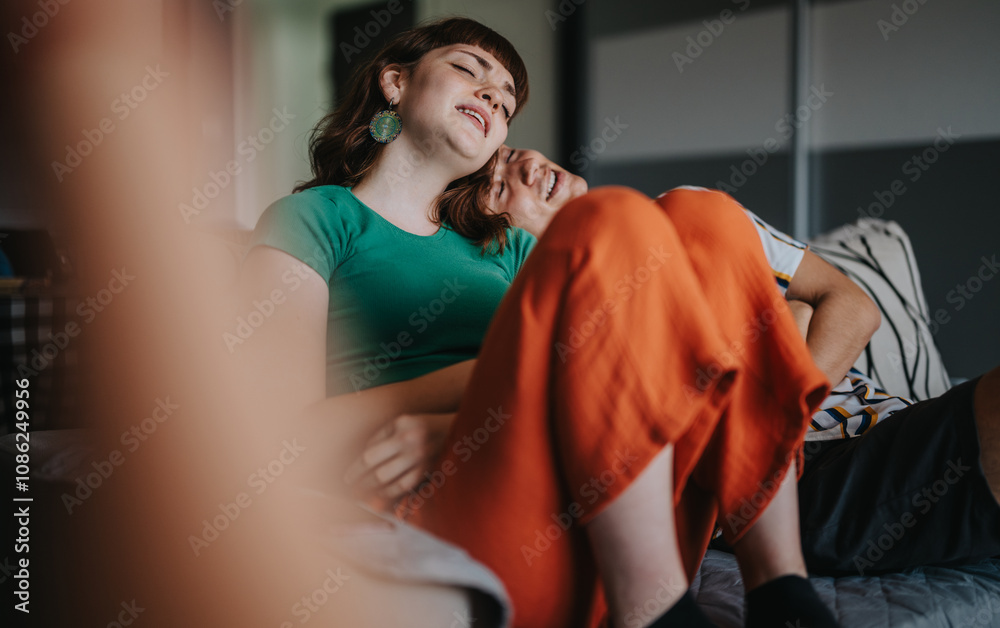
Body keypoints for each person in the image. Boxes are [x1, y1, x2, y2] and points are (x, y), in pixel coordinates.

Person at [243, 18, 841, 628]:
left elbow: (594, 368)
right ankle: (653, 609)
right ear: (395, 82)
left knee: (704, 215)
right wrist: (475, 405)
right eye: (468, 70)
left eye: (505, 100)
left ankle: (780, 588)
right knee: (608, 217)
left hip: (606, 523)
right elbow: (280, 441)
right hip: (466, 518)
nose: (492, 97)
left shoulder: (507, 250)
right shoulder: (316, 218)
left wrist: (473, 409)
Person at [483, 145, 1000, 577]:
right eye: (502, 186)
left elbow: (854, 309)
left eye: (510, 152)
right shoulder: (569, 330)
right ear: (496, 243)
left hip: (870, 417)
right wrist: (788, 331)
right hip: (806, 477)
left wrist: (774, 412)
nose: (526, 164)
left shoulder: (691, 213)